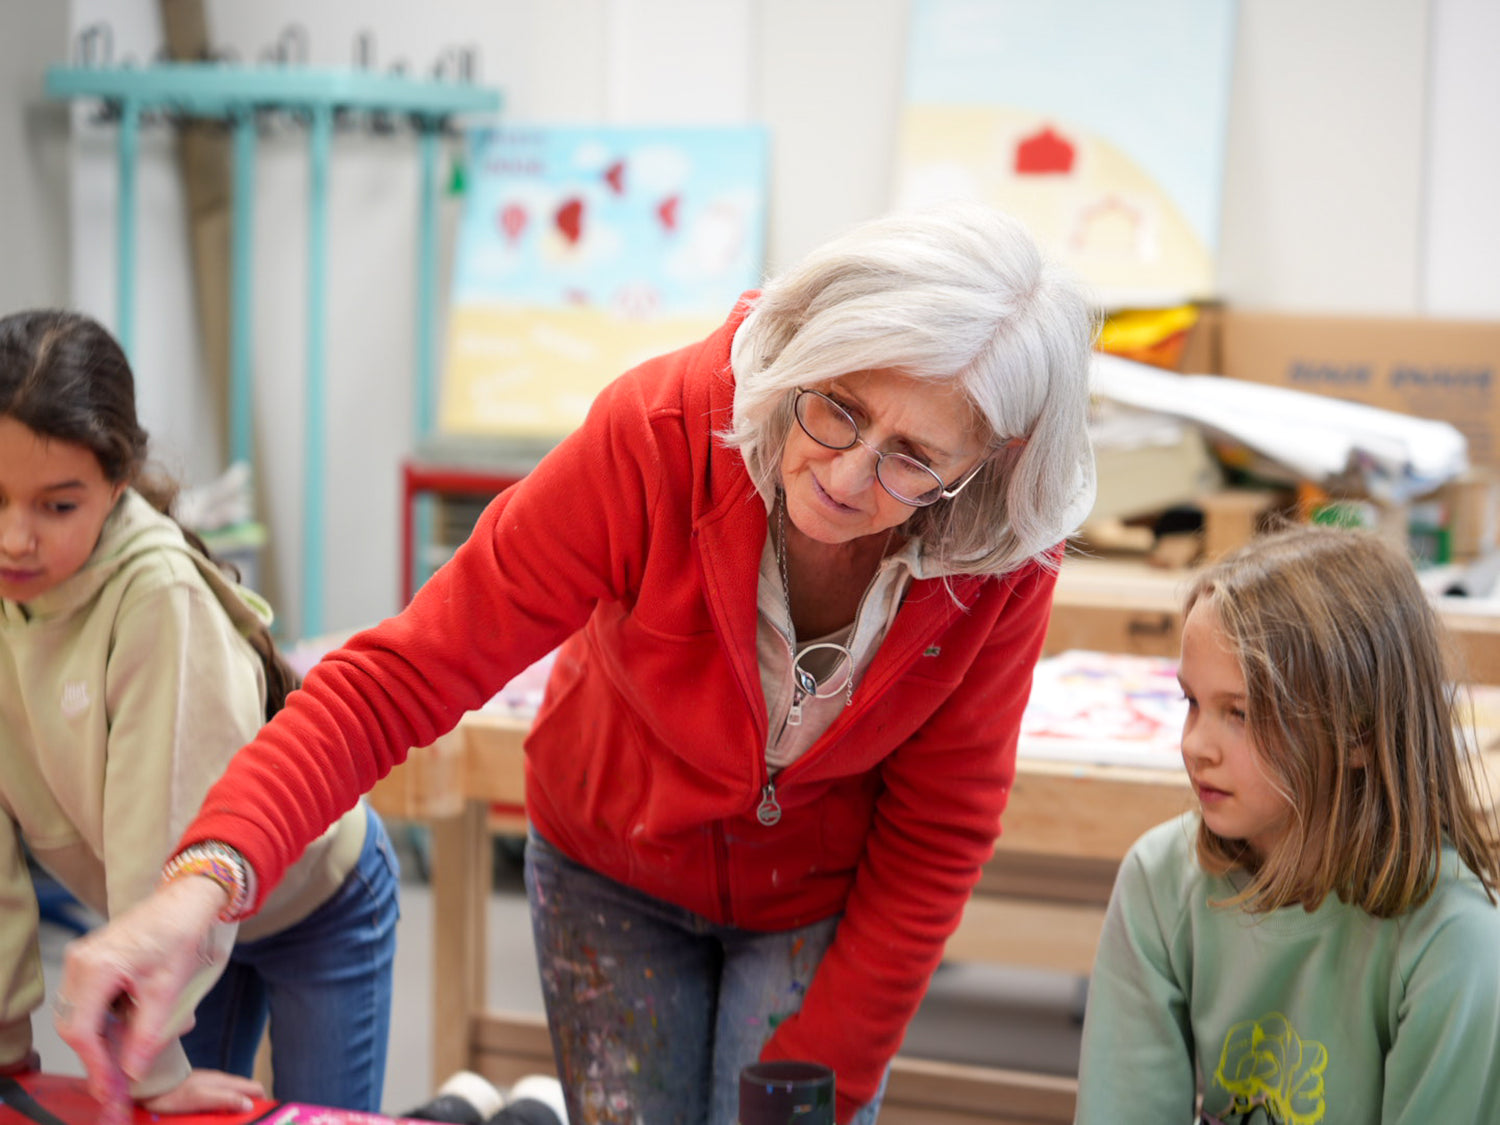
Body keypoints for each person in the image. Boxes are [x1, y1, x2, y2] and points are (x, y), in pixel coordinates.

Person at [55, 201, 1097, 1125]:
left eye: (914, 459)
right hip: (613, 865)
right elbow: (403, 677)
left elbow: (939, 830)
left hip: (819, 901)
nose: (846, 474)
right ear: (802, 356)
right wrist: (202, 881)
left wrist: (822, 1069)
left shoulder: (1001, 556)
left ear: (987, 469)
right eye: (839, 408)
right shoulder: (663, 431)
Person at [0, 309, 400, 1114]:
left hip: (312, 902)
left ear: (117, 483)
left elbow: (168, 839)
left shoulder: (157, 599)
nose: (15, 536)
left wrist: (154, 1068)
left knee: (294, 1115)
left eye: (57, 506)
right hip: (167, 917)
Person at [1074, 525, 1500, 1124]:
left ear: (1357, 734)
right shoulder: (1160, 879)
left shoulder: (1456, 942)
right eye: (1191, 702)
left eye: (1240, 714)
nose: (1196, 745)